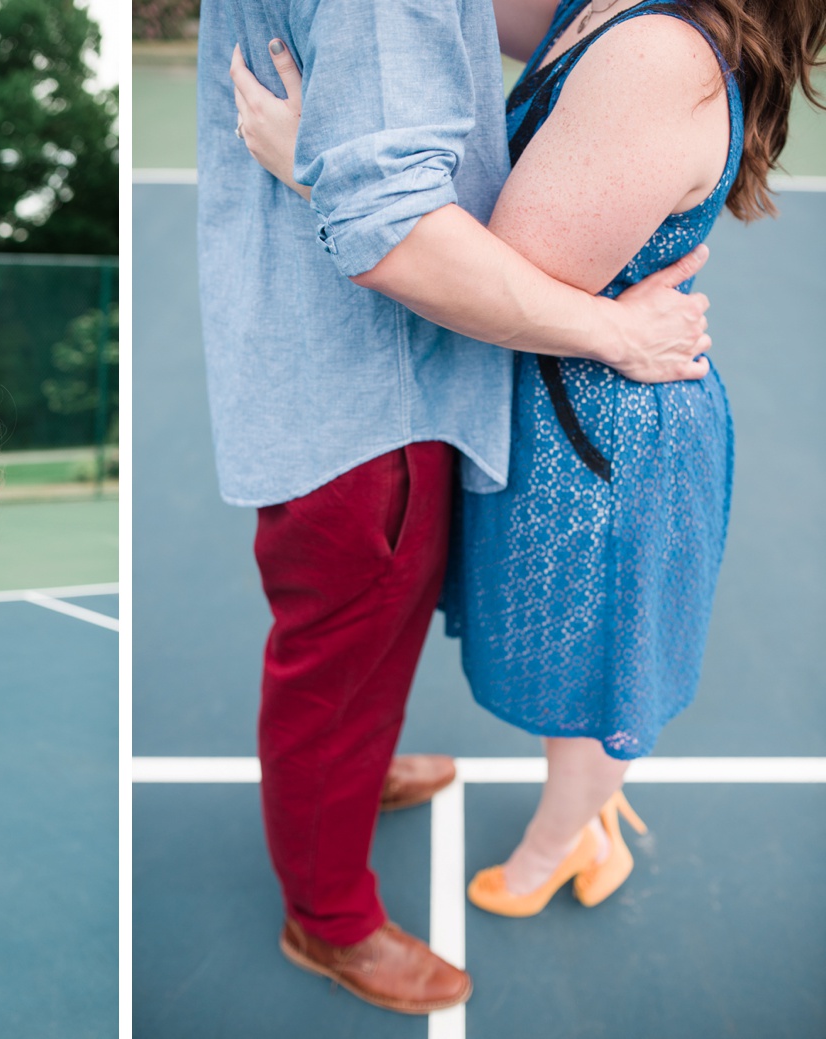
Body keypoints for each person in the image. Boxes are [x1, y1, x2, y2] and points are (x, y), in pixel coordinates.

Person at [230, 0, 826, 935]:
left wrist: (320, 165)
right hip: (566, 408)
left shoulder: (661, 55)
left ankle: (569, 835)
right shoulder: (606, 7)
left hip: (606, 438)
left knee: (595, 665)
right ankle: (583, 808)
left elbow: (494, 267)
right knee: (574, 650)